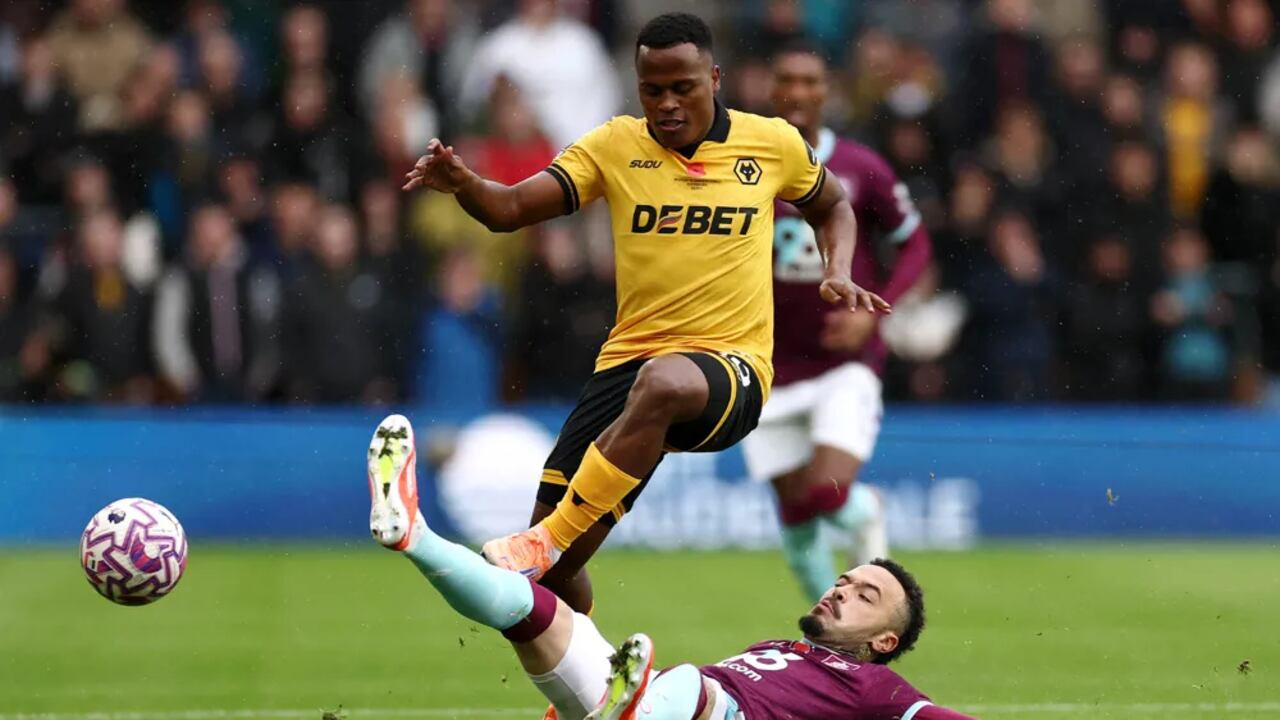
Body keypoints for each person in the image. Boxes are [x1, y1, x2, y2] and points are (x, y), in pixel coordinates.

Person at [400, 12, 888, 613]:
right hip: (627, 368)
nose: (667, 104)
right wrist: (465, 184)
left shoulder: (771, 143)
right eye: (652, 90)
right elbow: (511, 209)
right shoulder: (614, 145)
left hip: (732, 368)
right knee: (551, 582)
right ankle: (599, 670)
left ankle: (547, 541)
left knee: (654, 396)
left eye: (683, 87)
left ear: (714, 78)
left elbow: (833, 205)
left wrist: (837, 268)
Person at [365, 414, 975, 720]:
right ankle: (414, 535)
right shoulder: (784, 650)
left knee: (698, 689)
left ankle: (631, 707)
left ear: (885, 641)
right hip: (660, 698)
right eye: (845, 579)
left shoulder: (876, 690)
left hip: (697, 706)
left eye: (865, 596)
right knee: (534, 610)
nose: (841, 589)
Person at [743, 39, 933, 602]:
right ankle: (835, 638)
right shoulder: (741, 166)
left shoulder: (859, 166)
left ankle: (866, 511)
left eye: (810, 81)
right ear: (770, 89)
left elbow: (915, 244)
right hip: (766, 366)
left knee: (825, 494)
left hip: (843, 361)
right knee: (796, 520)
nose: (798, 92)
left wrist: (874, 315)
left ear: (827, 91)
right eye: (787, 80)